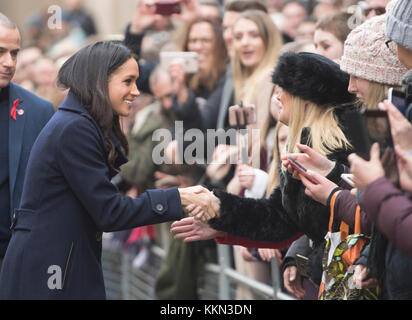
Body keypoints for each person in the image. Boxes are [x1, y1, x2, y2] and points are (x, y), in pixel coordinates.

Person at [0, 41, 214, 299]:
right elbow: (110, 212)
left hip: (57, 267)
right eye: (128, 81)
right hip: (50, 275)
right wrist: (178, 197)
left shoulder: (77, 123)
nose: (135, 91)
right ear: (100, 81)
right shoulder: (75, 129)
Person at [184, 52, 357, 294]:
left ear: (305, 98)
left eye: (283, 88)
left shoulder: (336, 146)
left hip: (353, 276)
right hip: (329, 276)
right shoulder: (303, 140)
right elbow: (279, 218)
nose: (276, 95)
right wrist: (219, 214)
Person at [0, 14, 55, 271]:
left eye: (14, 53)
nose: (8, 62)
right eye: (0, 52)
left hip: (16, 262)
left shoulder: (38, 111)